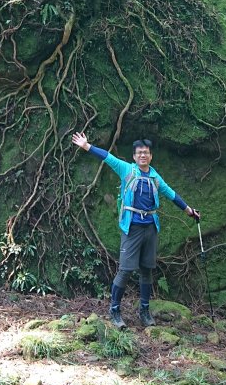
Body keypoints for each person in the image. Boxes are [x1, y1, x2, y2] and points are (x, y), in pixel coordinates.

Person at [72, 131, 200, 328]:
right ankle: (114, 311)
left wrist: (189, 211)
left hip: (150, 227)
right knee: (125, 270)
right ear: (134, 156)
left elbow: (171, 194)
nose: (143, 155)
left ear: (150, 156)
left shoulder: (155, 177)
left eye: (146, 152)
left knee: (147, 270)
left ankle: (145, 311)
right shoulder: (127, 170)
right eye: (139, 152)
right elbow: (108, 158)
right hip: (131, 227)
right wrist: (87, 146)